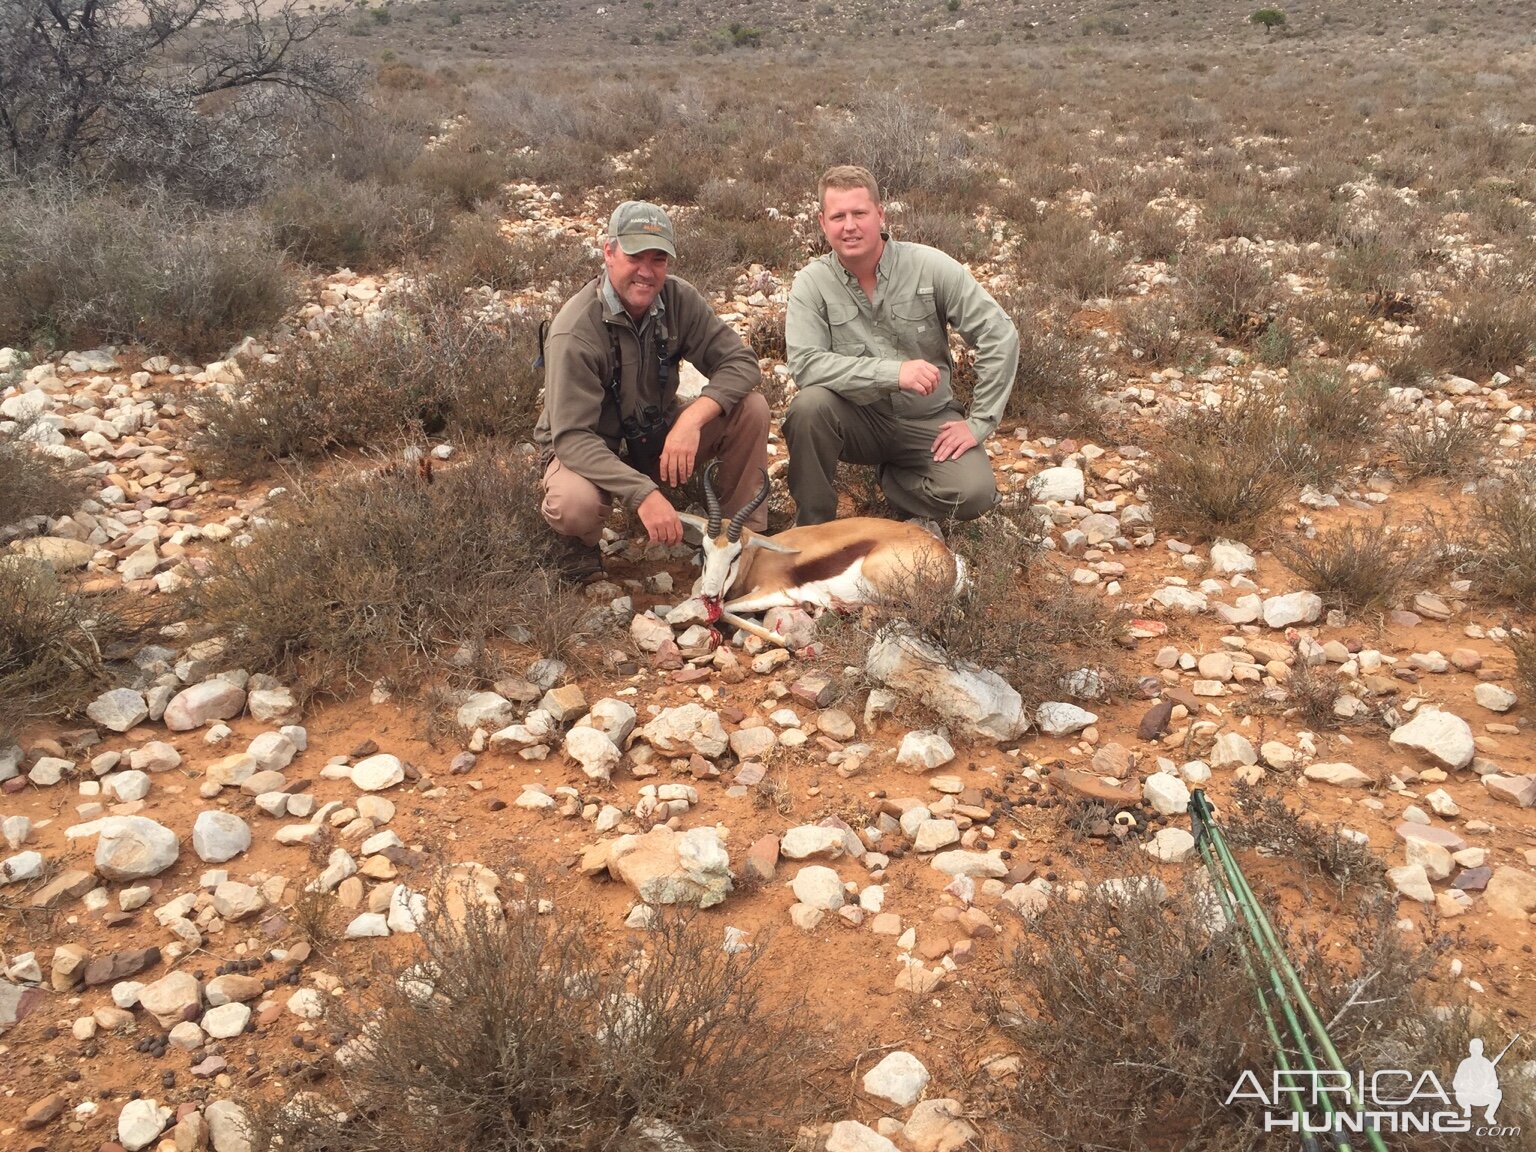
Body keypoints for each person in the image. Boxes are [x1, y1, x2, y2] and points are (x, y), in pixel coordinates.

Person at [534, 201, 770, 579]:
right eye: (634, 256)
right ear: (608, 253)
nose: (646, 272)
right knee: (573, 504)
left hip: (653, 431)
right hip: (593, 448)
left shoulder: (679, 299)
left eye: (658, 259)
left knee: (750, 409)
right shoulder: (574, 330)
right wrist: (643, 493)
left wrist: (692, 419)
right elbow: (573, 438)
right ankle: (579, 545)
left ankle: (741, 537)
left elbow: (741, 363)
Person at [784, 165, 1020, 526]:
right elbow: (806, 365)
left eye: (859, 213)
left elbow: (999, 334)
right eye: (838, 216)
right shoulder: (811, 283)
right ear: (822, 222)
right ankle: (813, 531)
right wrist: (894, 373)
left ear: (880, 214)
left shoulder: (930, 266)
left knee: (973, 495)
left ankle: (894, 481)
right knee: (808, 408)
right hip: (857, 420)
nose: (849, 226)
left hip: (928, 420)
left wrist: (978, 423)